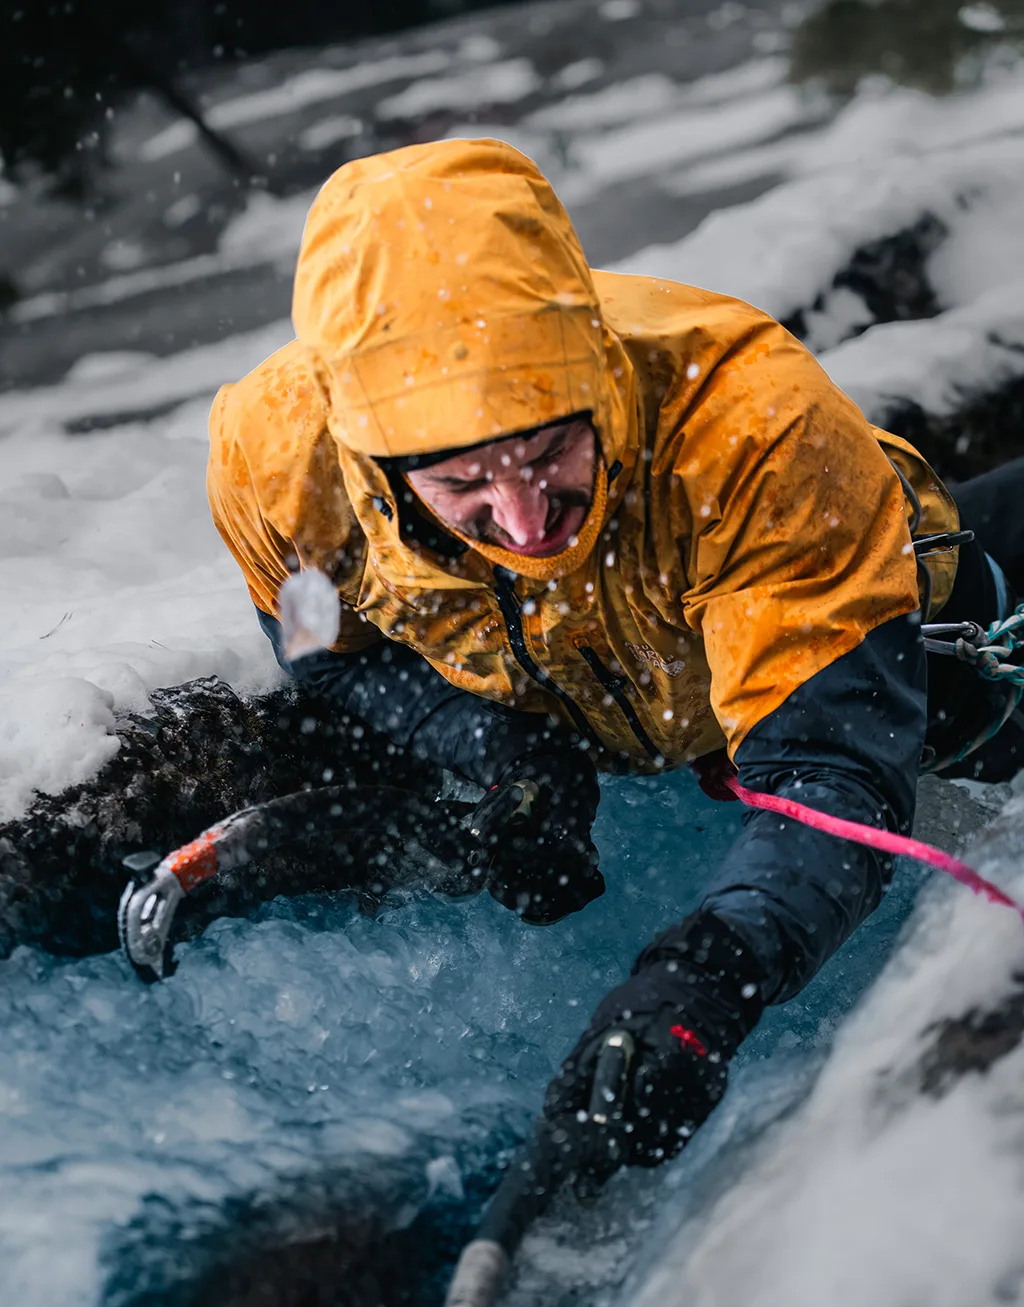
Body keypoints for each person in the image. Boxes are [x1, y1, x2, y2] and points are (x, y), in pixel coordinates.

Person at [208, 138, 1024, 1174]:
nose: (521, 517)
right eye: (461, 483)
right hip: (625, 687)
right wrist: (510, 756)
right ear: (371, 455)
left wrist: (708, 971)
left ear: (591, 373)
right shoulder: (276, 466)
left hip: (926, 639)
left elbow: (829, 773)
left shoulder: (751, 423)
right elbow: (323, 650)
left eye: (551, 451)